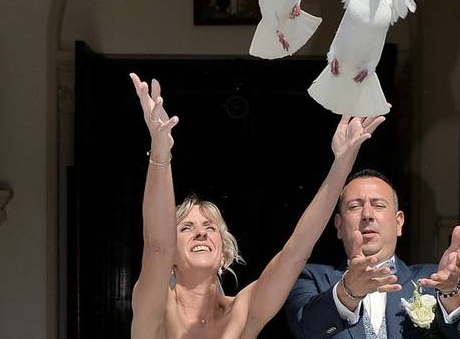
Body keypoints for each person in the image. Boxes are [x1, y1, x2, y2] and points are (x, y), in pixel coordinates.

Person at [129, 73, 385, 338]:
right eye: (186, 228)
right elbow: (157, 246)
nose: (201, 232)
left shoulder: (241, 311)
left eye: (209, 227)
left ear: (223, 255)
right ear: (172, 257)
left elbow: (295, 253)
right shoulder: (157, 307)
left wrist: (341, 164)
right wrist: (160, 152)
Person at [284, 169, 460, 339]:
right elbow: (305, 328)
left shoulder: (431, 280)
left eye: (378, 205)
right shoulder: (313, 278)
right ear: (339, 225)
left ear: (399, 222)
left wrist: (452, 291)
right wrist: (347, 292)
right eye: (354, 206)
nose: (367, 214)